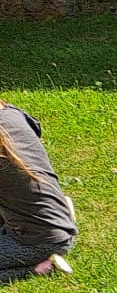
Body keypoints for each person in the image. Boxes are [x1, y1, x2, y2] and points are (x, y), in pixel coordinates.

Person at [0, 100, 77, 283]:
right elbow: (36, 128)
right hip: (55, 223)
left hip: (37, 241)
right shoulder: (11, 112)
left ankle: (38, 269)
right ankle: (57, 211)